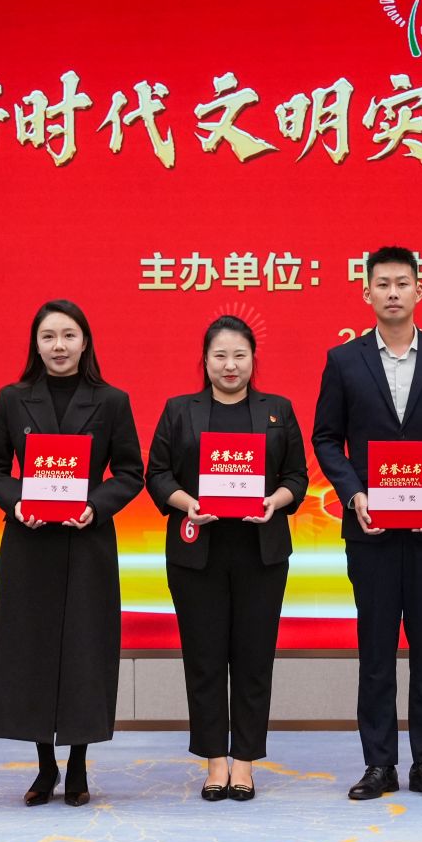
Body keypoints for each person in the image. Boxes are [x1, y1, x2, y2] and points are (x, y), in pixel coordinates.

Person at [312, 245, 422, 801]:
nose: (392, 292)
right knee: (376, 648)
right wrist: (353, 494)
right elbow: (326, 438)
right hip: (372, 530)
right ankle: (379, 763)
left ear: (419, 290)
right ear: (366, 292)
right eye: (382, 283)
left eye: (401, 283)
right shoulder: (344, 361)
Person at [0, 299, 144, 807]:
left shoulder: (111, 400)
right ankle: (45, 765)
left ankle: (79, 764)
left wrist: (96, 506)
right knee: (33, 652)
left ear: (85, 342)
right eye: (48, 337)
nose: (59, 346)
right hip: (29, 544)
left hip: (87, 542)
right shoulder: (13, 398)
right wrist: (17, 502)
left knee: (84, 653)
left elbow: (131, 472)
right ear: (36, 344)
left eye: (69, 336)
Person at [146, 315, 309, 802]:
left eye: (239, 355)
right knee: (205, 659)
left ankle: (245, 762)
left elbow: (297, 477)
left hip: (261, 555)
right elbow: (157, 474)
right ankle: (215, 761)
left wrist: (275, 501)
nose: (230, 365)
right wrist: (188, 503)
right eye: (220, 355)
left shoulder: (277, 410)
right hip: (198, 554)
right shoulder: (180, 410)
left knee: (254, 659)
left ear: (253, 360)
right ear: (205, 360)